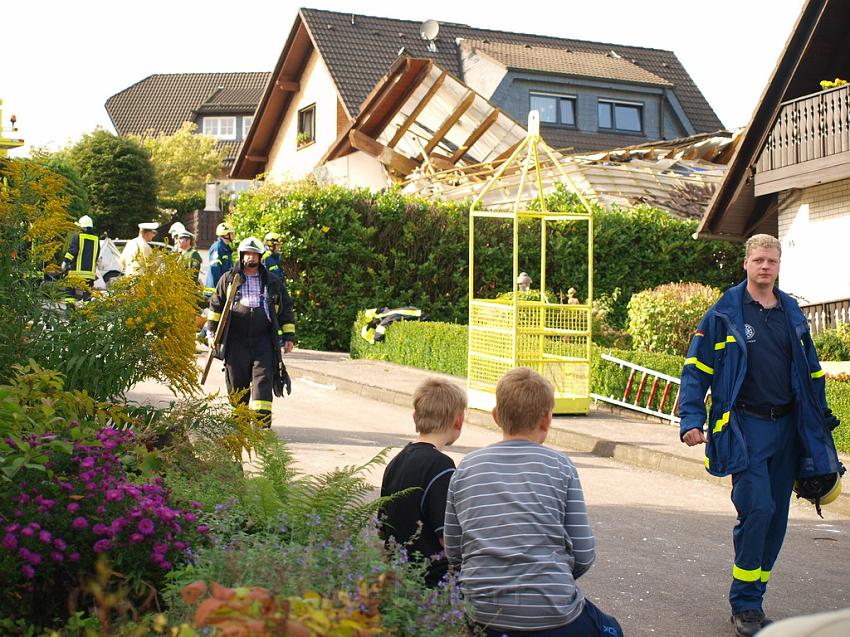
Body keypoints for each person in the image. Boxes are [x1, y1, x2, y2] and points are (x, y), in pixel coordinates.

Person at [679, 234, 843, 637]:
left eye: (771, 260)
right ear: (746, 264)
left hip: (789, 428)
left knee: (778, 519)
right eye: (758, 260)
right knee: (759, 511)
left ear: (779, 264)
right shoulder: (724, 313)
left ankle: (756, 592)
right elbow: (696, 370)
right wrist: (691, 419)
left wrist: (820, 425)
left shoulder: (791, 312)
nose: (765, 266)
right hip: (745, 427)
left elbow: (813, 372)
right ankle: (746, 605)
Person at [444, 367, 623, 637]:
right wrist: (547, 579)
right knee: (612, 631)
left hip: (481, 614)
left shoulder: (466, 467)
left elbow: (455, 552)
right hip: (552, 614)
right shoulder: (561, 467)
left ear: (496, 417)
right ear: (547, 419)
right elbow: (584, 553)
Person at [379, 378, 466, 587]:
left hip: (400, 573)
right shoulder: (441, 467)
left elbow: (382, 528)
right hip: (433, 580)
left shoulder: (396, 461)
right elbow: (448, 537)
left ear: (415, 416)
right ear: (459, 420)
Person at [206, 236, 295, 426]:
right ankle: (239, 425)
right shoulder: (229, 279)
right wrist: (212, 334)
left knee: (263, 380)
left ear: (260, 256)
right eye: (247, 253)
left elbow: (286, 309)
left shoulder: (272, 282)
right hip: (235, 341)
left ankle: (261, 427)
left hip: (263, 340)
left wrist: (289, 337)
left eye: (255, 254)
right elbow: (215, 308)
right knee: (237, 382)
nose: (251, 257)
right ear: (241, 255)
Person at [62, 215, 100, 287]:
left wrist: (64, 263)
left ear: (83, 228)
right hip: (90, 275)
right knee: (87, 295)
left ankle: (70, 298)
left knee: (69, 294)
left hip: (75, 274)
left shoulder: (78, 237)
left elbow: (72, 252)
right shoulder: (96, 239)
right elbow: (96, 255)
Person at [204, 222, 235, 296]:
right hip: (214, 291)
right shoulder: (217, 248)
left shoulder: (226, 249)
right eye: (231, 233)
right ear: (225, 235)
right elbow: (215, 268)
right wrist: (220, 287)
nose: (233, 236)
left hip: (221, 289)